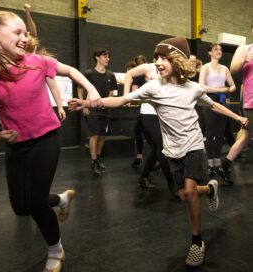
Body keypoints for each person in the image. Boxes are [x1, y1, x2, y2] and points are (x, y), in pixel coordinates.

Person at [69, 37, 249, 266]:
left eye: (164, 58)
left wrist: (237, 116)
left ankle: (197, 242)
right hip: (172, 150)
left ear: (178, 60)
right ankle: (210, 188)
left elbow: (213, 105)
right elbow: (122, 100)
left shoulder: (193, 88)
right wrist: (88, 104)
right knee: (183, 193)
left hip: (193, 146)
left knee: (190, 192)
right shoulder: (153, 87)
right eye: (156, 58)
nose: (159, 62)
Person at [0, 11, 100, 272]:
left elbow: (71, 70)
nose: (25, 38)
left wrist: (90, 88)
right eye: (18, 33)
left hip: (47, 138)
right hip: (16, 144)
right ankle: (61, 199)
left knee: (34, 202)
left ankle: (55, 249)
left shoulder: (36, 61)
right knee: (20, 207)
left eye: (25, 33)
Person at [124, 56, 174, 193]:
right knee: (162, 144)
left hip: (163, 112)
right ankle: (172, 185)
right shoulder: (149, 67)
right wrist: (126, 96)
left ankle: (143, 176)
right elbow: (129, 74)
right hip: (148, 112)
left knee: (157, 147)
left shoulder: (172, 69)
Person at [199, 43, 236, 184]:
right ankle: (210, 164)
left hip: (222, 100)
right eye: (216, 49)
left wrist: (226, 90)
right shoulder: (205, 67)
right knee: (210, 133)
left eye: (220, 50)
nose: (219, 51)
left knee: (220, 134)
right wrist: (219, 90)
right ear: (210, 52)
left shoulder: (224, 68)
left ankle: (217, 163)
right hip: (209, 100)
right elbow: (201, 86)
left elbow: (233, 86)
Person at [77, 48, 118, 174]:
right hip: (92, 109)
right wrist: (83, 106)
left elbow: (112, 93)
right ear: (97, 57)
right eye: (105, 56)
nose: (107, 59)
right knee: (94, 134)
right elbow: (80, 89)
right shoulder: (88, 73)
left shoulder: (111, 75)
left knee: (103, 136)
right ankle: (93, 161)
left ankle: (98, 158)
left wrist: (109, 105)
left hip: (105, 110)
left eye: (108, 56)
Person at [221, 19, 253, 175]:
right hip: (251, 100)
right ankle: (224, 166)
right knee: (246, 134)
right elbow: (233, 69)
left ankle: (224, 166)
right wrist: (244, 59)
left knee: (246, 135)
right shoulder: (245, 49)